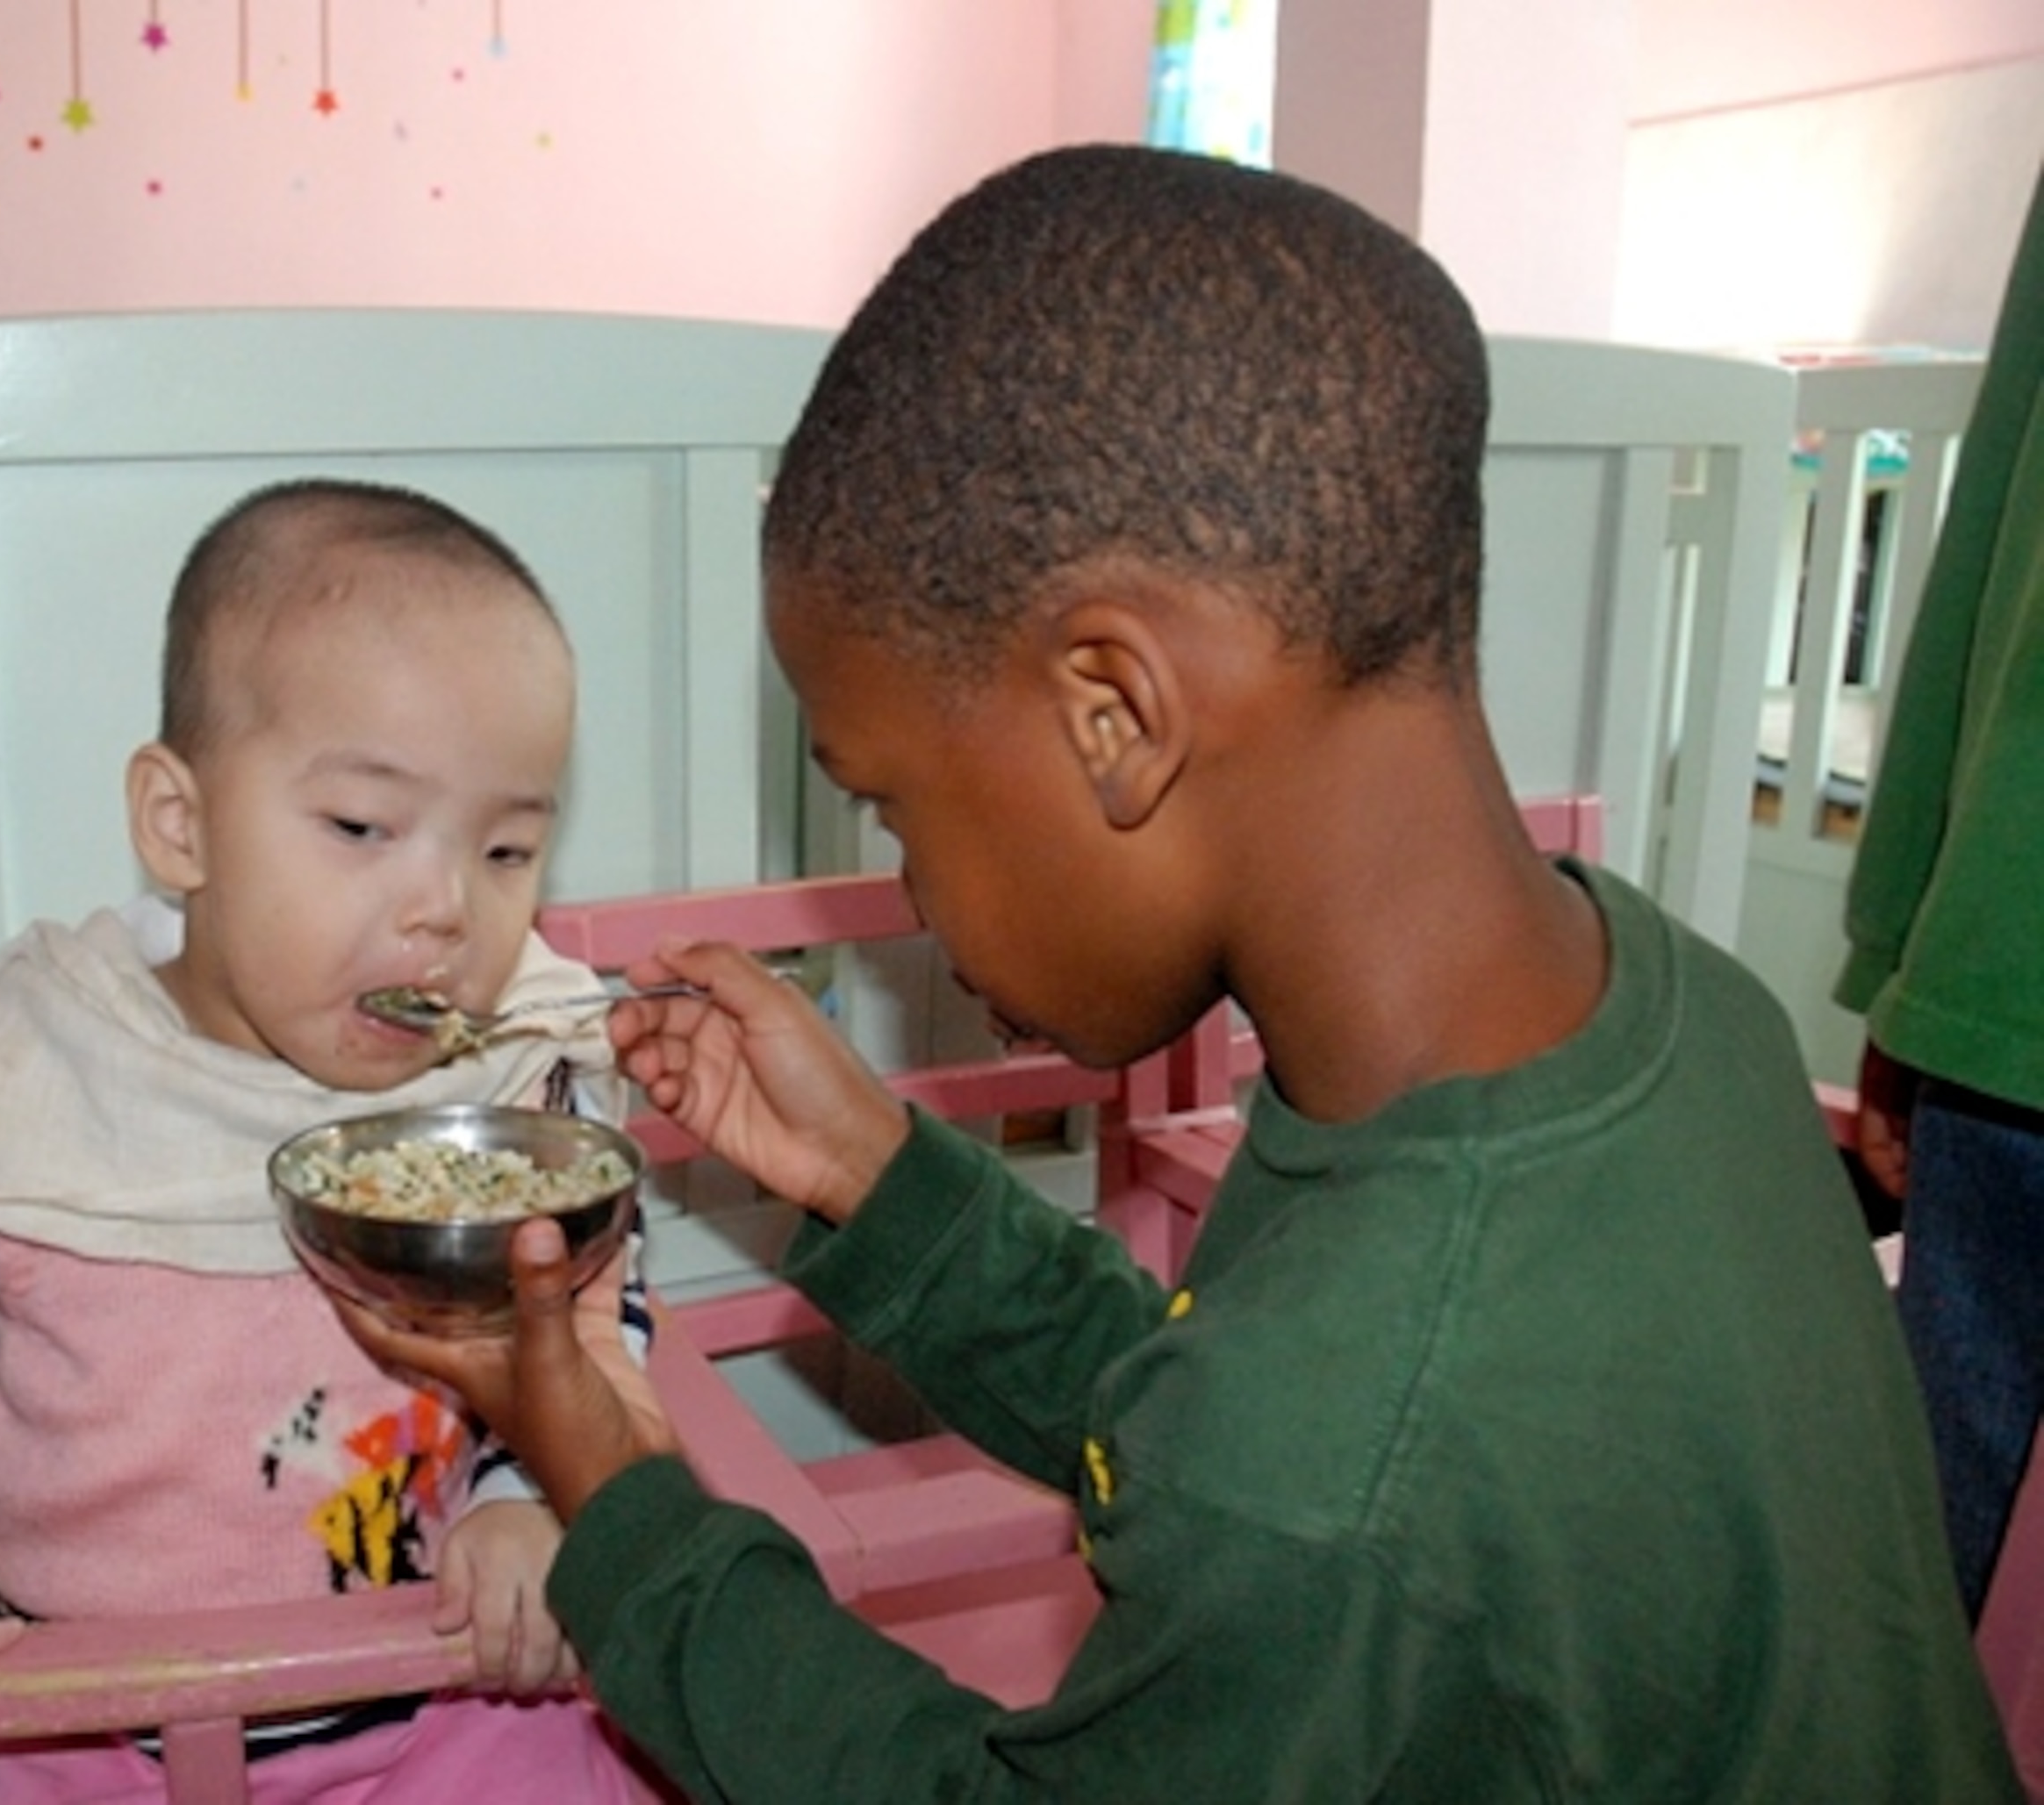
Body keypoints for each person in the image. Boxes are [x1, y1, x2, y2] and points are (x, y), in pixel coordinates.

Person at [342, 146, 2020, 1800]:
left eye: (896, 805)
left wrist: (623, 1501)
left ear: (1114, 714)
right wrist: (878, 1179)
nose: (916, 893)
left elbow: (1297, 1476)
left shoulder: (1335, 1452)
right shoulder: (1664, 1013)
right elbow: (1233, 1416)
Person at [0, 479, 649, 1801]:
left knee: (599, 1748)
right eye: (361, 827)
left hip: (440, 1687)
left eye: (506, 848)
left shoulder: (503, 1098)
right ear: (182, 822)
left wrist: (528, 1494)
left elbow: (594, 1314)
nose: (445, 909)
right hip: (79, 1728)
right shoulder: (31, 1096)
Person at [1839, 161, 2044, 1625]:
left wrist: (1903, 942)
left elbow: (1982, 546)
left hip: (2012, 960)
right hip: (2004, 984)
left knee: (1912, 1611)